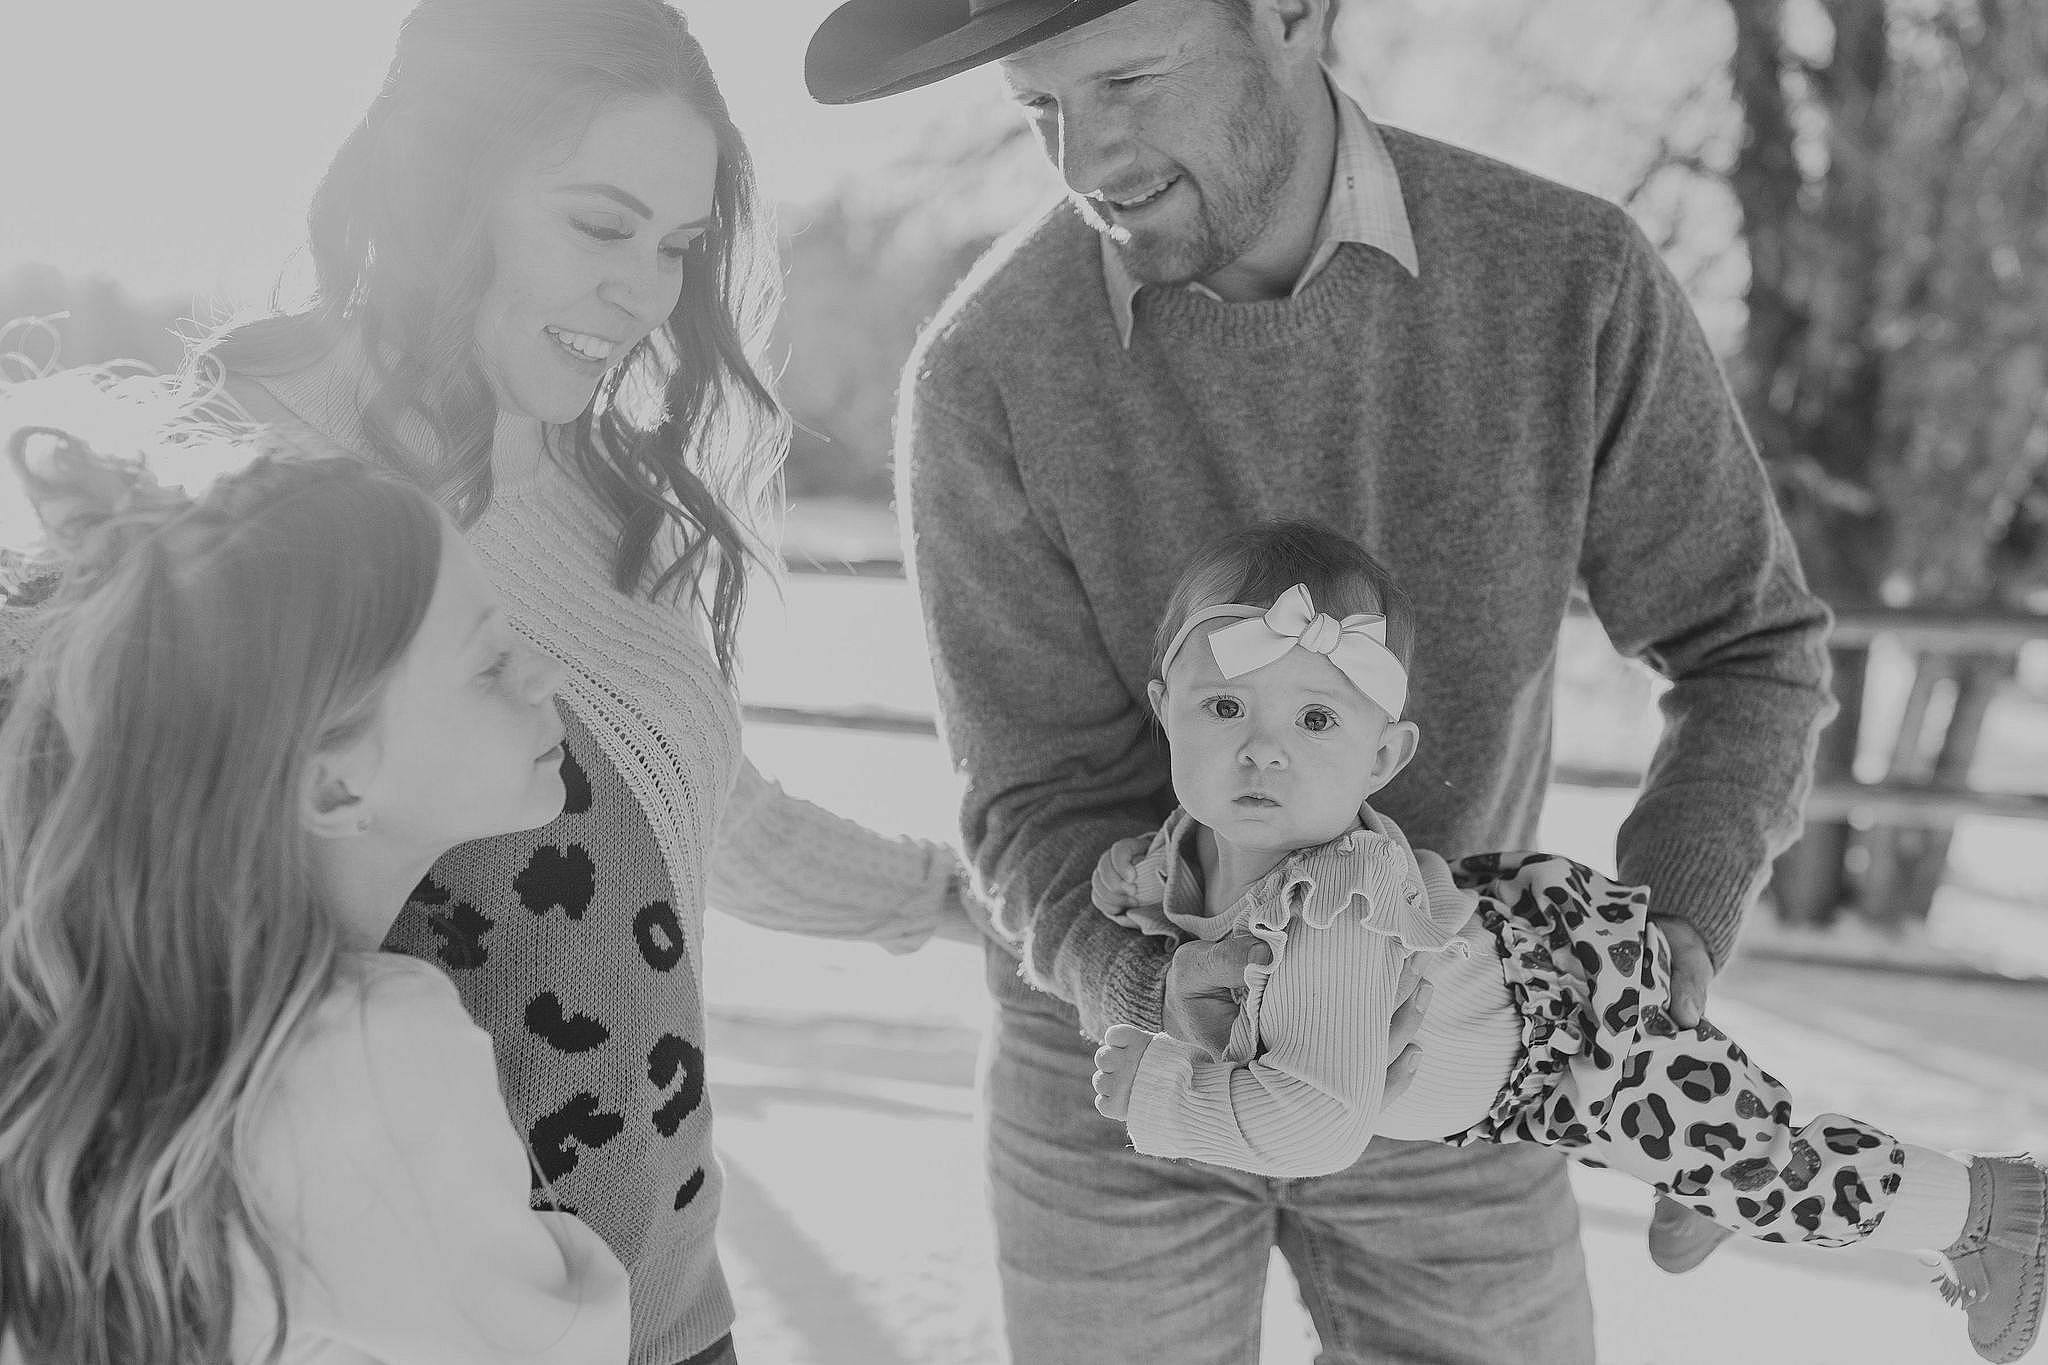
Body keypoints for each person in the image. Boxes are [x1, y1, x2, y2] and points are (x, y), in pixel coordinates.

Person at [806, 0, 1839, 1359]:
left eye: (1125, 77)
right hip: (1117, 1059)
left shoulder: (1567, 277)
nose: (1085, 157)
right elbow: (1030, 791)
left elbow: (1742, 644)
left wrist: (1669, 943)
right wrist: (1141, 986)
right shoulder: (985, 369)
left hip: (1453, 1021)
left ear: (1294, 13)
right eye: (1039, 106)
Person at [0, 4, 975, 1363]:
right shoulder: (250, 487)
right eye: (598, 224)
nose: (645, 293)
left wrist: (949, 899)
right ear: (443, 178)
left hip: (667, 1307)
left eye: (677, 248)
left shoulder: (613, 498)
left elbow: (705, 814)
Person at [1083, 518, 2045, 1365]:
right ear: (1165, 706)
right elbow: (1173, 905)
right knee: (1693, 1139)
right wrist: (1126, 889)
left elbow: (1322, 1123)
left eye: (1316, 718)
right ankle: (1686, 1169)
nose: (1263, 749)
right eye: (1224, 708)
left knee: (1762, 1170)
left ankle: (1980, 1209)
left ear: (1383, 757)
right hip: (1523, 1020)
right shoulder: (1201, 843)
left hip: (1581, 1043)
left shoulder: (1341, 904)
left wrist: (1164, 1097)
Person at [0, 420, 628, 1365]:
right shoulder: (367, 1052)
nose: (551, 673)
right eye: (491, 662)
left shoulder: (102, 1035)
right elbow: (562, 1345)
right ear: (330, 784)